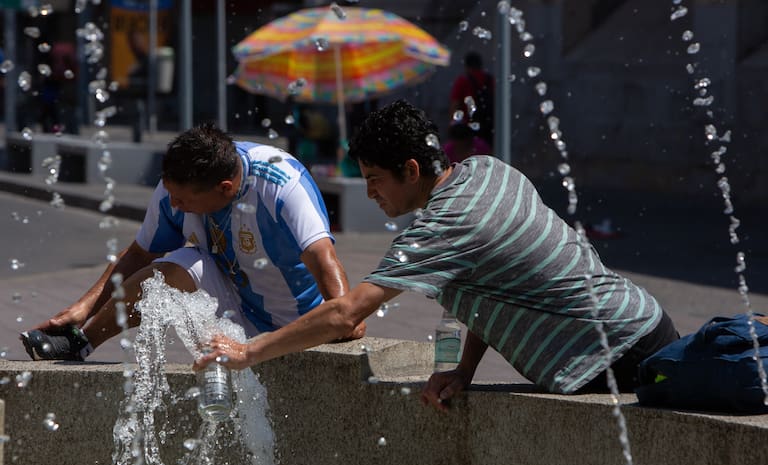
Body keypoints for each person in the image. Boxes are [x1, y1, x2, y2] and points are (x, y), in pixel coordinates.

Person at [192, 100, 678, 411]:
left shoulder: (442, 225)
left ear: (409, 168)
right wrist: (462, 369)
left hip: (614, 357)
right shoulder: (486, 170)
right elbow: (492, 280)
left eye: (375, 179)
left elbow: (347, 312)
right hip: (638, 326)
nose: (370, 193)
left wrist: (250, 351)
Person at [20, 123, 364, 361]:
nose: (174, 206)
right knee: (170, 270)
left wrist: (343, 313)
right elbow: (139, 254)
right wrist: (82, 308)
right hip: (236, 306)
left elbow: (323, 257)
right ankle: (82, 343)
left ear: (224, 189)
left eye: (183, 200)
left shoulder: (281, 183)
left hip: (299, 320)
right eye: (171, 195)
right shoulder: (177, 187)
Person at [449, 51, 495, 150]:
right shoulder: (489, 80)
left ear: (466, 66)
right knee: (487, 155)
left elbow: (455, 104)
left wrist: (453, 124)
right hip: (489, 126)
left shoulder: (463, 80)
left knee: (469, 157)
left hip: (468, 128)